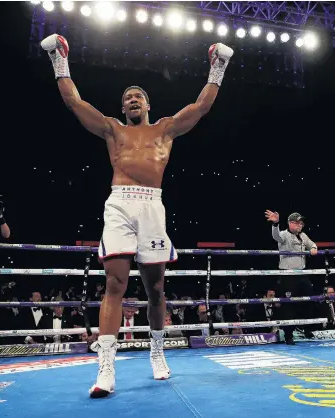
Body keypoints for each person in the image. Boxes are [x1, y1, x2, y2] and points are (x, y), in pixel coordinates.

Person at [41, 33, 233, 398]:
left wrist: (218, 67)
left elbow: (201, 107)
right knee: (114, 284)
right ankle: (106, 367)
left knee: (155, 289)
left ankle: (157, 351)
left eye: (137, 97)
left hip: (152, 206)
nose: (131, 100)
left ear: (147, 104)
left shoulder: (165, 128)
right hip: (119, 203)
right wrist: (58, 59)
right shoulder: (112, 130)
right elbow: (73, 102)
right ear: (124, 107)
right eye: (127, 98)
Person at [264, 210, 317, 344]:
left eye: (301, 223)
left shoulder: (303, 235)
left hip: (302, 274)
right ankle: (288, 334)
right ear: (290, 223)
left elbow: (312, 244)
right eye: (297, 222)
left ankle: (306, 327)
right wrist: (275, 223)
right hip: (288, 275)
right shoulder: (284, 235)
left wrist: (314, 248)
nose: (300, 225)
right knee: (288, 305)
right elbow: (275, 236)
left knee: (309, 301)